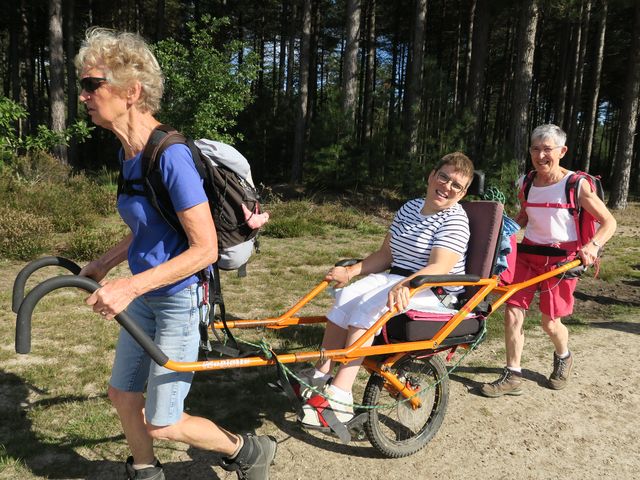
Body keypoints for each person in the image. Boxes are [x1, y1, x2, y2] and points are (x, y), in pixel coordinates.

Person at [75, 28, 276, 480]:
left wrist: (128, 285)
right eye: (83, 85)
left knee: (163, 422)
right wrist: (107, 263)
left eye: (92, 85)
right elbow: (154, 224)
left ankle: (247, 450)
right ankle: (145, 471)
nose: (83, 95)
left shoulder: (171, 156)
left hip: (178, 300)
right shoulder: (129, 153)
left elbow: (204, 248)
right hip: (146, 296)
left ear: (132, 91)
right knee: (124, 395)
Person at [298, 153, 475, 427]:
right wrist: (351, 271)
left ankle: (340, 397)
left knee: (367, 310)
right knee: (345, 298)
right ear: (432, 175)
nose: (447, 187)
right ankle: (321, 374)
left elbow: (439, 267)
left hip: (435, 290)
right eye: (444, 177)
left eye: (457, 186)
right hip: (397, 278)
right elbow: (385, 255)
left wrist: (406, 284)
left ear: (463, 194)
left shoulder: (455, 220)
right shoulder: (410, 207)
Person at [480, 124, 617, 398]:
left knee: (549, 323)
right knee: (513, 311)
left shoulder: (576, 185)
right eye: (535, 149)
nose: (540, 155)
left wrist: (592, 245)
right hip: (528, 255)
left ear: (562, 151)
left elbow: (609, 222)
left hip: (562, 260)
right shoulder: (526, 182)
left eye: (547, 149)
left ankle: (563, 355)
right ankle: (513, 374)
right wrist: (505, 230)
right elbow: (525, 215)